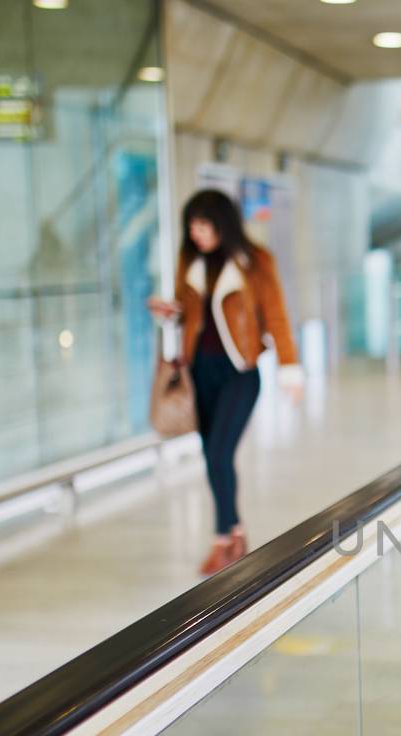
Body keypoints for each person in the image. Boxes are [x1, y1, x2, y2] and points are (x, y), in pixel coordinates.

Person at [147, 189, 298, 577]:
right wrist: (172, 312)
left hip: (241, 374)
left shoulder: (256, 262)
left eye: (203, 226)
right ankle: (236, 534)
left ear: (222, 225)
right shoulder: (190, 261)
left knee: (218, 454)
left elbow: (276, 316)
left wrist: (290, 368)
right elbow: (191, 314)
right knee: (214, 458)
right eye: (192, 227)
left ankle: (222, 539)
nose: (196, 234)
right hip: (201, 372)